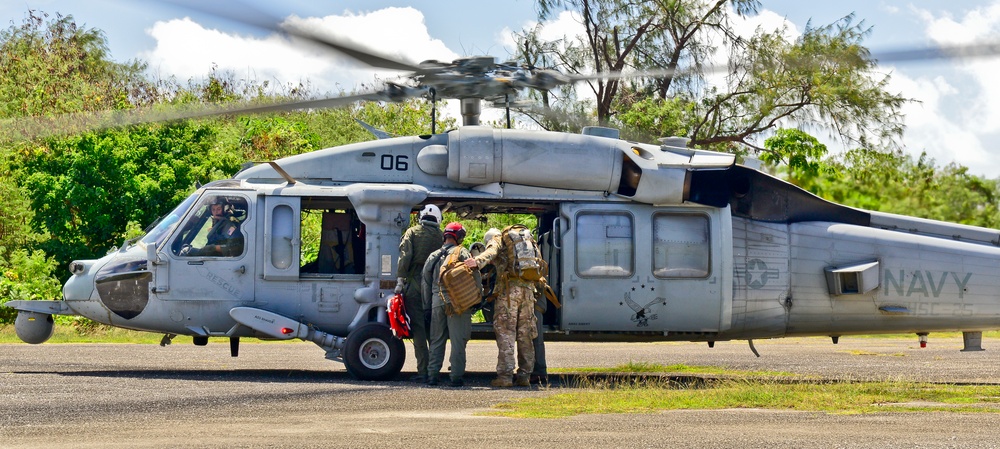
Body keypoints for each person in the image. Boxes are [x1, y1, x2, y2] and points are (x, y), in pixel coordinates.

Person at [467, 226, 538, 387]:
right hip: (527, 291)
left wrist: (476, 261)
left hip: (508, 294)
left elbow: (490, 253)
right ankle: (524, 376)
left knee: (506, 333)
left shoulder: (497, 239)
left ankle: (505, 377)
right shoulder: (522, 241)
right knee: (525, 334)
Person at [422, 222, 480, 387]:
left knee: (436, 340)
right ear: (459, 237)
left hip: (436, 303)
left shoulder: (433, 256)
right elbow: (474, 275)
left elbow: (425, 283)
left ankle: (432, 375)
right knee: (458, 341)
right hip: (458, 304)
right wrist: (477, 298)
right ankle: (455, 377)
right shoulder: (462, 253)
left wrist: (427, 306)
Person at [395, 204, 443, 383]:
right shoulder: (442, 236)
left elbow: (405, 257)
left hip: (414, 286)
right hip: (435, 287)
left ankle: (423, 371)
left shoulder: (412, 233)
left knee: (419, 330)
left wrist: (400, 280)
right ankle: (434, 371)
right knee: (435, 331)